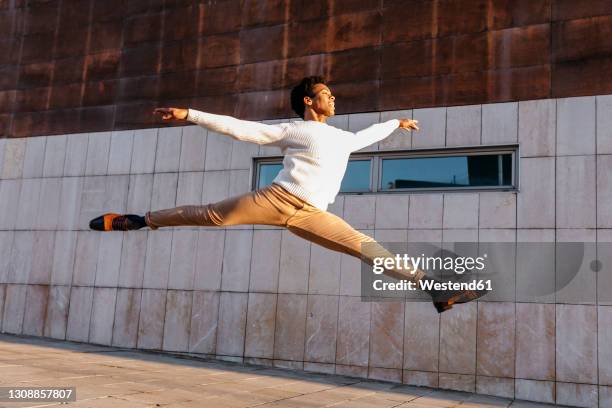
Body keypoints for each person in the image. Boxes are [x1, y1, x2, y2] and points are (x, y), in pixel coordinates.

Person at [90, 76, 486, 313]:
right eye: (326, 93)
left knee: (367, 248)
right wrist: (191, 115)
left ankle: (435, 290)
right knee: (212, 215)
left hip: (312, 214)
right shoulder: (295, 130)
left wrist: (395, 122)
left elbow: (369, 135)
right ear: (309, 102)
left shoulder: (343, 138)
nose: (334, 97)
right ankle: (141, 220)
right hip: (276, 198)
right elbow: (242, 128)